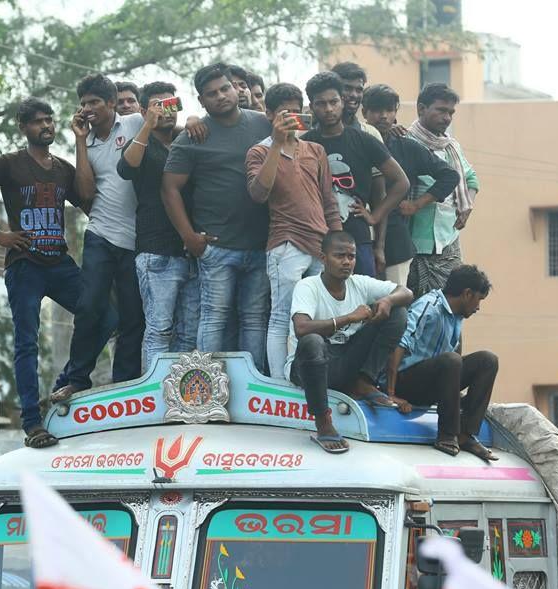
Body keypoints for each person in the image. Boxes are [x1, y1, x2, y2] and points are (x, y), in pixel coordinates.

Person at [0, 97, 101, 448]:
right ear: (23, 127)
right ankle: (33, 423)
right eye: (37, 122)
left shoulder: (63, 169)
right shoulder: (8, 164)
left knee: (104, 313)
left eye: (49, 120)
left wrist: (82, 142)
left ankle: (70, 380)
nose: (45, 126)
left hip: (59, 263)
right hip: (25, 265)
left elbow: (89, 201)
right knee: (27, 342)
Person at [162, 63, 273, 372]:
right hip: (217, 247)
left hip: (261, 245)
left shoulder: (262, 125)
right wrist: (189, 237)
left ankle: (255, 389)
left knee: (254, 318)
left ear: (236, 89)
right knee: (213, 317)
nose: (221, 96)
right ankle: (204, 392)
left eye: (225, 88)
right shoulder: (193, 136)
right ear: (202, 101)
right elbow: (169, 189)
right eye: (212, 93)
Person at [54, 73, 147, 401]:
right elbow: (85, 193)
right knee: (89, 306)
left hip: (139, 240)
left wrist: (191, 120)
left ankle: (124, 386)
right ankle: (77, 379)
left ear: (111, 103)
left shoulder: (135, 123)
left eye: (94, 102)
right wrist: (80, 140)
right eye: (83, 103)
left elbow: (168, 133)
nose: (88, 108)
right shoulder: (86, 142)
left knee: (133, 317)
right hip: (101, 234)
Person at [246, 82, 342, 378]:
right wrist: (276, 143)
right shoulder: (258, 152)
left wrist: (336, 239)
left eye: (296, 111)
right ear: (269, 114)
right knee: (281, 317)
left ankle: (311, 379)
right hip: (285, 243)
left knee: (319, 316)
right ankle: (279, 384)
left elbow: (328, 199)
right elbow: (258, 194)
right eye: (284, 112)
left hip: (320, 244)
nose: (291, 117)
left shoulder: (315, 149)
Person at [288, 231, 412, 453]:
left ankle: (364, 381)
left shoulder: (359, 283)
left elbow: (406, 292)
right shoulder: (308, 286)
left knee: (398, 312)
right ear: (323, 258)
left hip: (343, 364)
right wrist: (348, 318)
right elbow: (301, 328)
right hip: (309, 369)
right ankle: (323, 422)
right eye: (339, 256)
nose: (347, 262)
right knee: (313, 341)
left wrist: (387, 300)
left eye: (351, 256)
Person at [117, 81, 199, 370]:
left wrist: (192, 121)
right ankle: (156, 399)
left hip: (192, 251)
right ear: (143, 110)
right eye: (159, 106)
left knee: (189, 334)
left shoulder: (184, 140)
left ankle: (182, 402)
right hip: (156, 250)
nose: (168, 111)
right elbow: (126, 168)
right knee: (159, 329)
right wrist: (146, 125)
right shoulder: (142, 142)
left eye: (173, 104)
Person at [385, 264, 498, 461]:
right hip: (407, 382)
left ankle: (466, 434)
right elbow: (399, 345)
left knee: (488, 360)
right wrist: (391, 393)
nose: (478, 307)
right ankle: (447, 435)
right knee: (452, 360)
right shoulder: (429, 306)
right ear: (467, 294)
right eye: (478, 300)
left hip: (435, 381)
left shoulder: (457, 317)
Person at [301, 72, 409, 278]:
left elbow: (401, 183)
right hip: (316, 241)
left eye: (333, 101)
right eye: (321, 103)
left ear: (343, 101)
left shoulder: (363, 140)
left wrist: (375, 216)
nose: (329, 109)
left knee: (365, 303)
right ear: (312, 106)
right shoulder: (305, 144)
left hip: (357, 241)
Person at [361, 84, 460, 287]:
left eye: (389, 110)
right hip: (360, 235)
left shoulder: (406, 146)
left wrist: (417, 204)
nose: (384, 116)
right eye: (377, 110)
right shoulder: (354, 143)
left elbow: (449, 175)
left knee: (396, 303)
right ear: (364, 113)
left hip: (397, 239)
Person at [404, 83, 480, 297]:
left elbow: (472, 179)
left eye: (451, 112)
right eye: (441, 110)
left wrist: (467, 207)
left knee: (452, 303)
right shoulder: (405, 142)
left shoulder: (451, 146)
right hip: (415, 241)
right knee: (419, 307)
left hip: (449, 240)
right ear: (421, 109)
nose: (447, 118)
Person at [329, 62, 383, 141]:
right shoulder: (314, 133)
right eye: (347, 88)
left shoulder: (371, 134)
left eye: (359, 90)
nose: (354, 95)